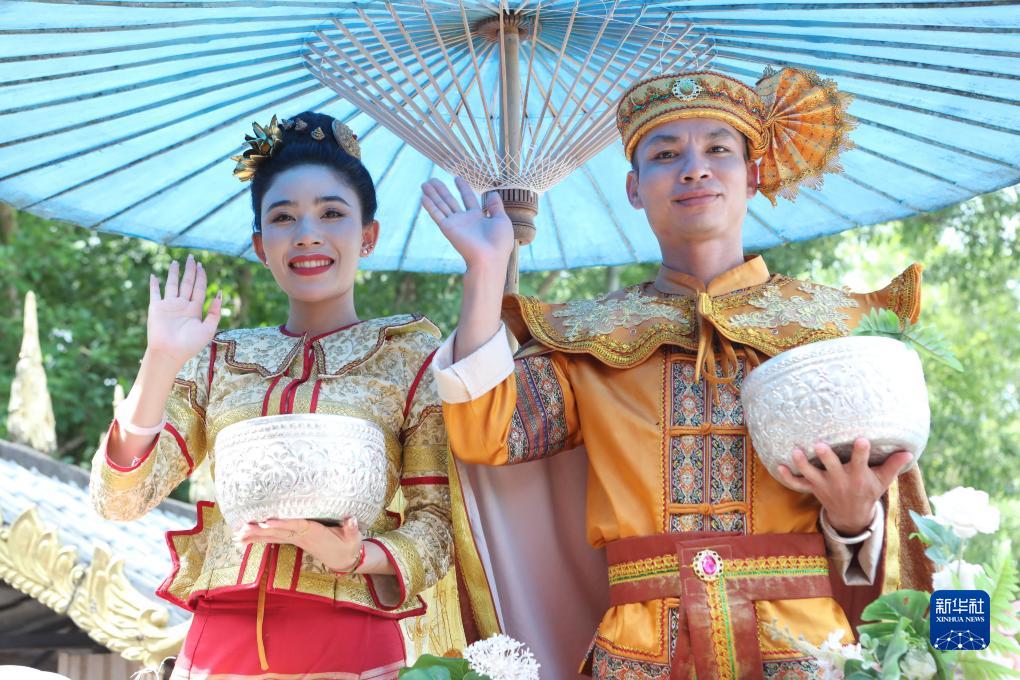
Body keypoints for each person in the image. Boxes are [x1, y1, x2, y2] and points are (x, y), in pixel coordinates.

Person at [424, 67, 933, 678]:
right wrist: (485, 270)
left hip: (805, 651)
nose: (694, 169)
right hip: (641, 653)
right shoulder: (589, 338)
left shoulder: (835, 329)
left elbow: (908, 532)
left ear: (754, 174)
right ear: (634, 187)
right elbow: (485, 433)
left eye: (718, 149)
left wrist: (854, 522)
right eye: (666, 155)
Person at [89, 112, 455, 679]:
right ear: (262, 245)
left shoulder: (411, 357)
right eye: (283, 217)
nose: (307, 233)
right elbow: (118, 501)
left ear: (368, 236)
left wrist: (356, 555)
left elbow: (438, 526)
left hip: (348, 640)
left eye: (331, 213)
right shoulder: (220, 357)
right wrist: (160, 360)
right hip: (220, 641)